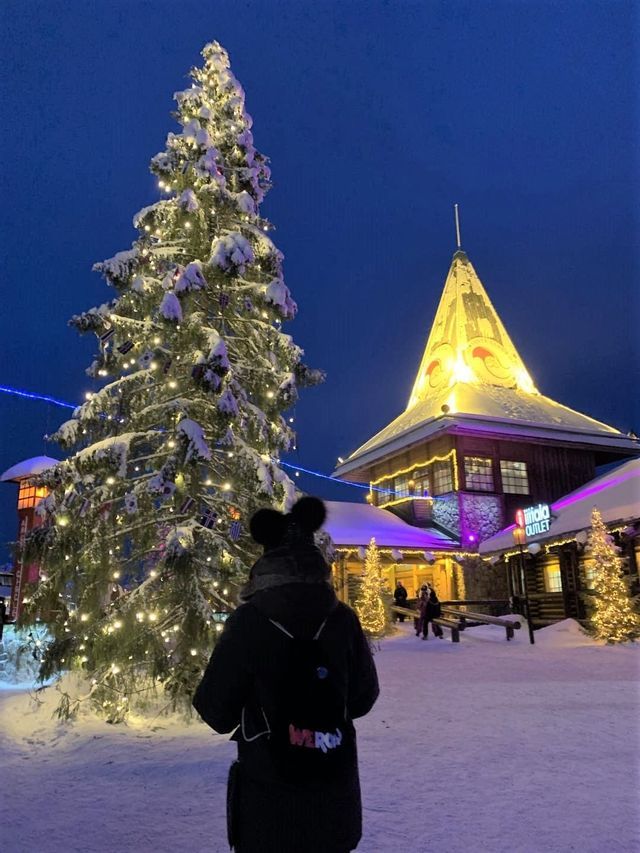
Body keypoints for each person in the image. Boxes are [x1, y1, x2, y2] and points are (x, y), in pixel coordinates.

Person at [193, 497, 380, 853]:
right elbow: (363, 697)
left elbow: (215, 711)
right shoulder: (342, 619)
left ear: (265, 556)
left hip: (269, 810)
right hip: (333, 803)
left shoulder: (248, 622)